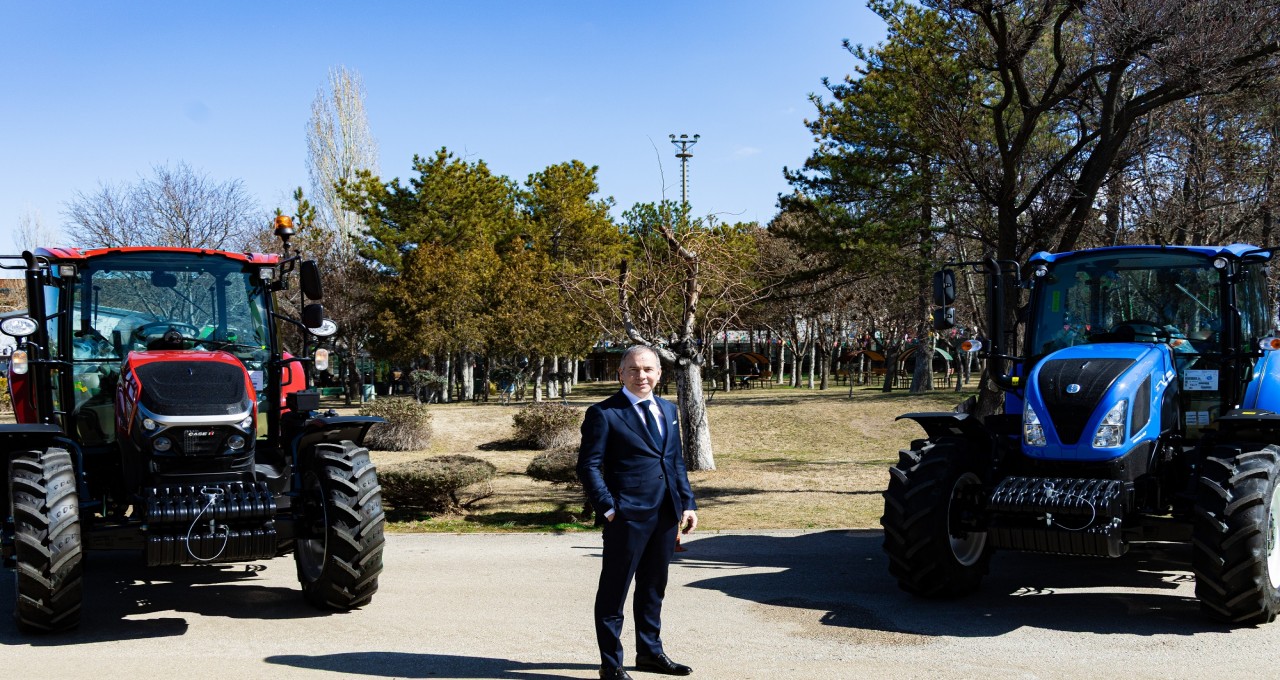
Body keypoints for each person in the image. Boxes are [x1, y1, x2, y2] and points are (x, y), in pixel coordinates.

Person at [577, 345, 698, 680]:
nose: (641, 376)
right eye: (633, 369)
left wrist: (686, 502)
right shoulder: (604, 413)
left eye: (648, 369)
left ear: (659, 373)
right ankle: (611, 665)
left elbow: (674, 460)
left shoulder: (668, 410)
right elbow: (588, 466)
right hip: (626, 518)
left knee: (652, 587)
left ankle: (649, 652)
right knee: (614, 592)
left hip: (664, 515)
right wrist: (609, 508)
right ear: (620, 373)